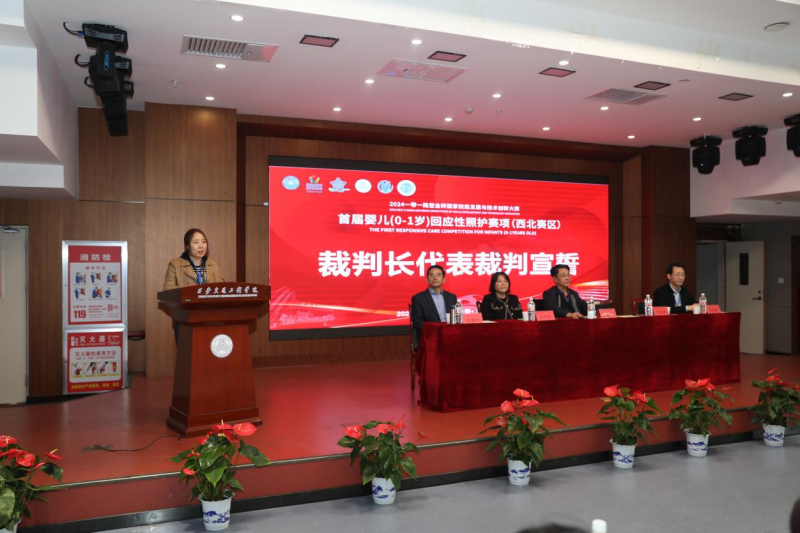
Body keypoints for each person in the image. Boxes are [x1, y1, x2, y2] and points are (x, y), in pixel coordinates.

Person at [410, 265, 457, 348]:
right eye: (431, 275)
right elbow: (417, 322)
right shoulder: (418, 298)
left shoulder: (452, 297)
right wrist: (435, 332)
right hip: (430, 337)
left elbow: (456, 318)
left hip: (450, 335)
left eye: (438, 275)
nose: (435, 278)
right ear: (427, 280)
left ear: (444, 279)